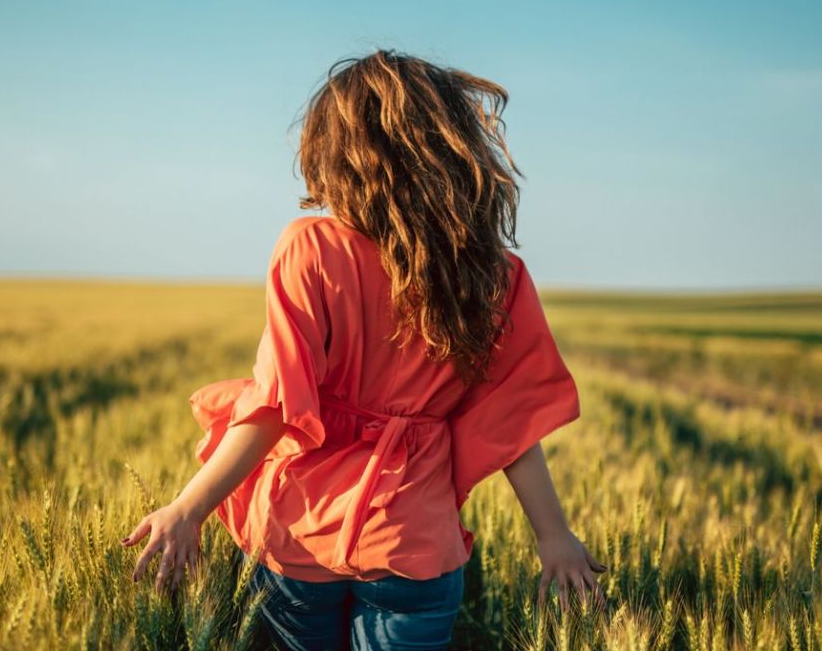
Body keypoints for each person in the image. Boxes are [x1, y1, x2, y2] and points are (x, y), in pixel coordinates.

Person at [121, 49, 606, 650]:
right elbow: (511, 425)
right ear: (451, 151)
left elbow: (276, 404)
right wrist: (552, 536)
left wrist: (189, 509)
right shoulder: (493, 276)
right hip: (415, 541)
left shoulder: (311, 249)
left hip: (302, 530)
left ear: (338, 157)